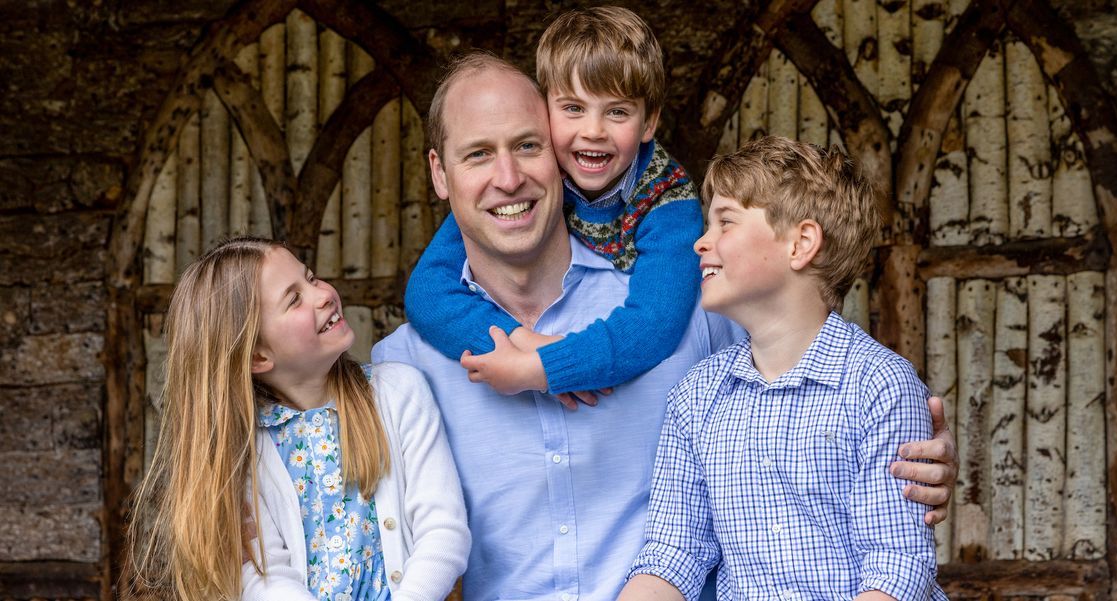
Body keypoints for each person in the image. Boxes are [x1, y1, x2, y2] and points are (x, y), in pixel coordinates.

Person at [371, 54, 957, 601]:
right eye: (477, 155)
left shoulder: (690, 309)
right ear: (439, 174)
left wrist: (909, 461)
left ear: (561, 152)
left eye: (528, 146)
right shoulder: (402, 372)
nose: (508, 176)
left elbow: (806, 373)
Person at [620, 137, 947, 600]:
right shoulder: (696, 396)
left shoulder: (879, 385)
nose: (701, 241)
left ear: (801, 243)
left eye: (725, 222)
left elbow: (897, 566)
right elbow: (674, 554)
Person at [124, 237, 469, 601]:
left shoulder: (398, 393)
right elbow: (263, 574)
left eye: (312, 278)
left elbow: (442, 529)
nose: (323, 295)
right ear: (258, 357)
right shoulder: (242, 451)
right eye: (294, 299)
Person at [403, 6, 702, 403]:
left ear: (648, 124)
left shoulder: (670, 201)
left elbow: (656, 324)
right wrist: (519, 341)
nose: (592, 132)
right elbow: (426, 293)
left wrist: (547, 367)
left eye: (616, 112)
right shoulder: (541, 174)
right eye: (573, 109)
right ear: (545, 111)